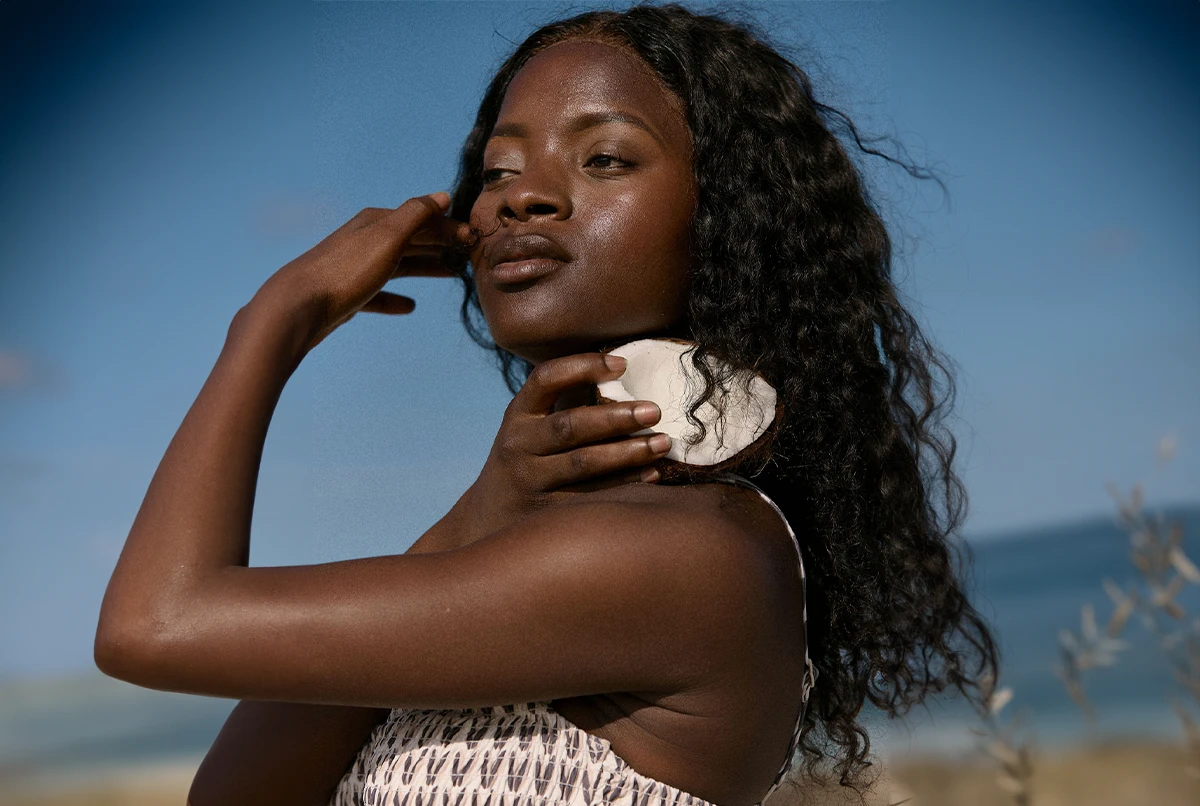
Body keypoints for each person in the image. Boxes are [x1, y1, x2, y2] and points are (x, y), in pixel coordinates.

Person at [94, 3, 1001, 805]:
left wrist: (272, 324)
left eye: (605, 157)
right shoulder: (559, 547)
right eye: (495, 172)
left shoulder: (683, 556)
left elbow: (152, 627)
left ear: (728, 218)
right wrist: (486, 508)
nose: (520, 196)